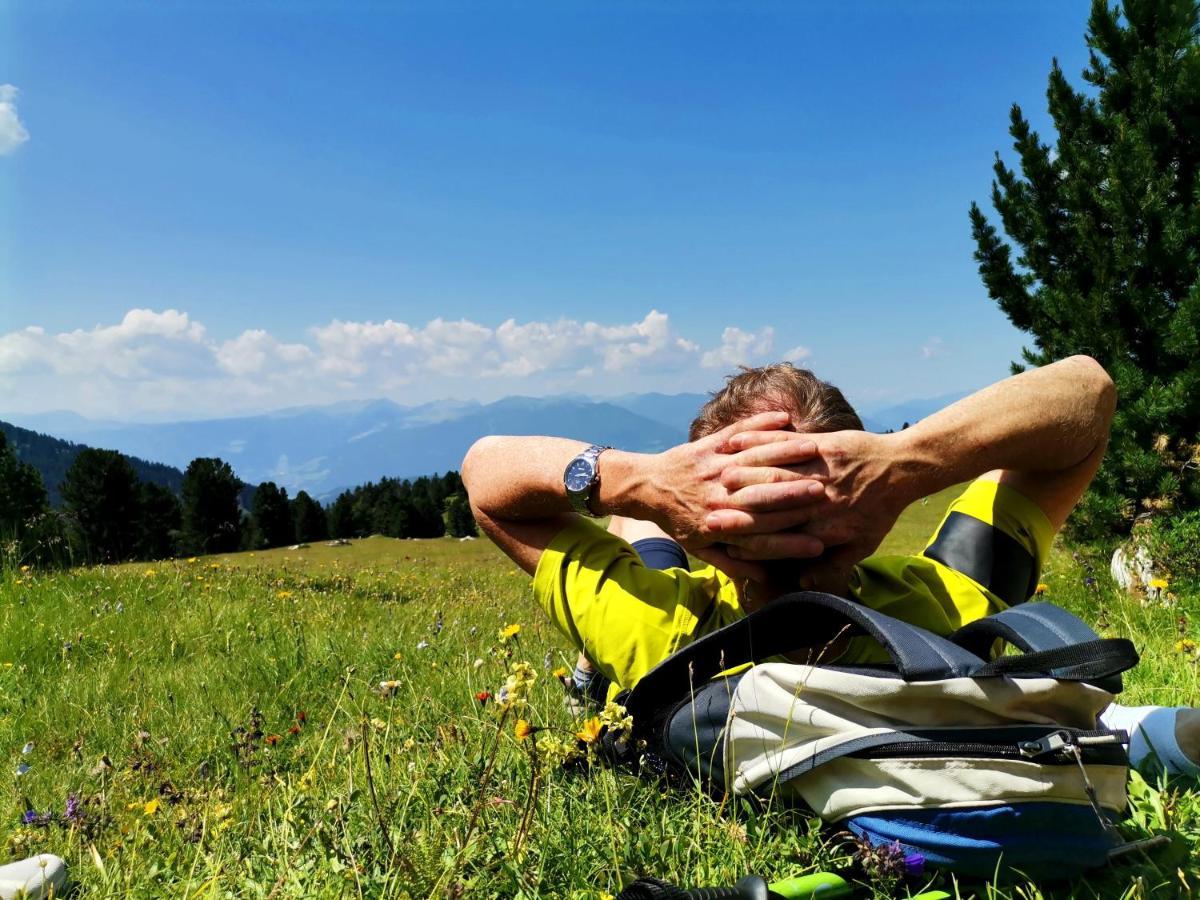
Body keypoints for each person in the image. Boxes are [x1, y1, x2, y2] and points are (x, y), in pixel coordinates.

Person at [462, 356, 1200, 776]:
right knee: (636, 545)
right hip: (867, 604)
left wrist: (637, 482)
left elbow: (487, 479)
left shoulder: (657, 632)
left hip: (680, 601)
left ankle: (632, 556)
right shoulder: (947, 606)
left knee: (635, 549)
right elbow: (1085, 399)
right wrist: (908, 462)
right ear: (870, 526)